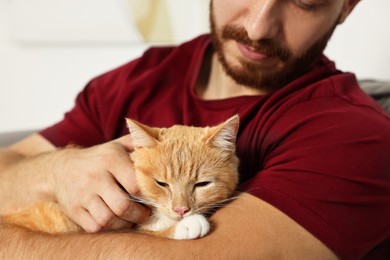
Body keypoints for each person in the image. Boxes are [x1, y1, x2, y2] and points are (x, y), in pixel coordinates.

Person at [0, 0, 389, 258]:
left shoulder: (357, 137)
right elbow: (9, 165)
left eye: (304, 0)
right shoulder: (140, 75)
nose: (258, 27)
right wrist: (57, 169)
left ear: (347, 6)